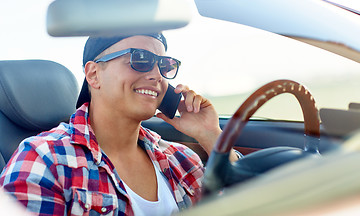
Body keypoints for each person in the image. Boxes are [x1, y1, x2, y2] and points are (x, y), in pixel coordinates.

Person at [0, 33, 239, 216]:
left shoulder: (179, 158)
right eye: (140, 59)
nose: (157, 74)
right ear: (93, 74)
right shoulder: (44, 160)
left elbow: (247, 205)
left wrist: (211, 135)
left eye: (164, 65)